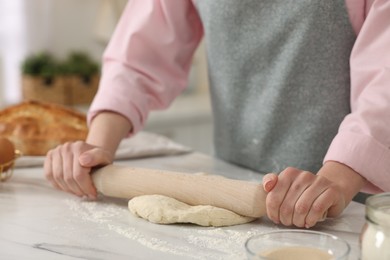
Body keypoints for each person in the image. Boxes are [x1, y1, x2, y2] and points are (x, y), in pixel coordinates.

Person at [44, 0, 390, 228]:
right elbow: (138, 56)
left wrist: (337, 179)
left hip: (352, 207)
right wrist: (97, 149)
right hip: (238, 191)